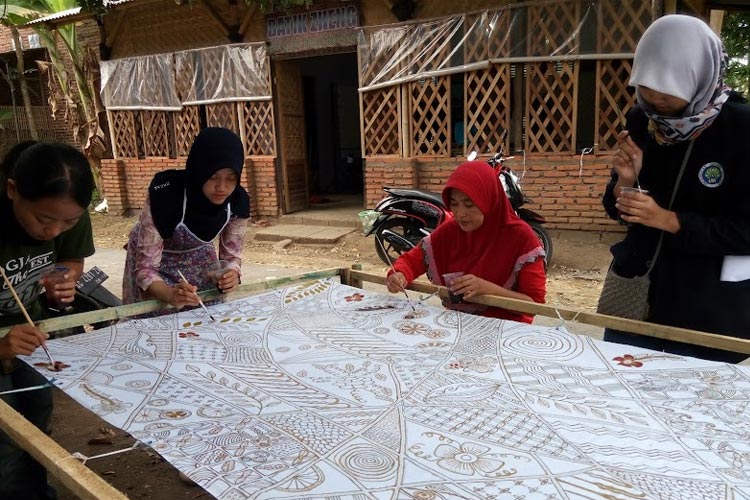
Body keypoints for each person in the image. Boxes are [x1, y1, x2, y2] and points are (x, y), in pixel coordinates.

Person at [601, 15, 750, 363]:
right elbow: (621, 212)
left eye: (667, 86)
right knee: (618, 392)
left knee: (687, 404)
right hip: (636, 294)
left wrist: (671, 220)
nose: (654, 97)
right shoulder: (643, 118)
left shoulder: (741, 130)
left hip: (706, 308)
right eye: (646, 86)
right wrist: (624, 181)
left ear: (698, 73)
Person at [0, 141, 96, 499]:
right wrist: (1, 347)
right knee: (6, 441)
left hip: (32, 334)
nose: (54, 231)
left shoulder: (70, 212)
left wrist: (63, 282)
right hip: (7, 340)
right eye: (44, 219)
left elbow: (70, 262)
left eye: (68, 221)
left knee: (38, 424)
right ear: (13, 190)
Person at [386, 160, 546, 323]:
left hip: (506, 330)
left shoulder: (522, 238)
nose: (460, 214)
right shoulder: (450, 231)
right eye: (454, 204)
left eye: (469, 205)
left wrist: (490, 290)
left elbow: (534, 305)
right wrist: (399, 274)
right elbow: (413, 260)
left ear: (489, 200)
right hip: (459, 325)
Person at [123, 127, 250, 308]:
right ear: (199, 170)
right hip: (156, 260)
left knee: (205, 315)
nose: (222, 187)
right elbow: (146, 270)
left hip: (199, 257)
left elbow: (232, 257)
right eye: (213, 177)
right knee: (158, 322)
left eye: (231, 178)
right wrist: (169, 294)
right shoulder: (166, 196)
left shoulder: (237, 202)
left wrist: (232, 274)